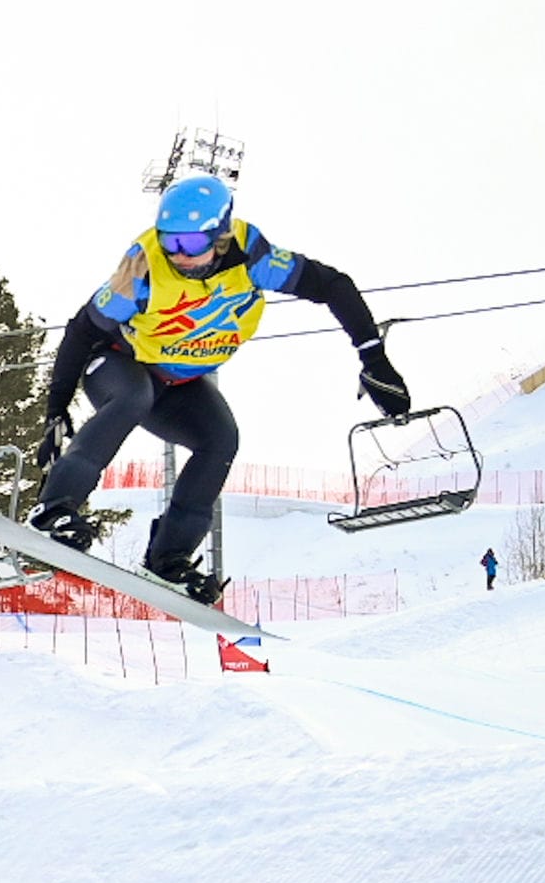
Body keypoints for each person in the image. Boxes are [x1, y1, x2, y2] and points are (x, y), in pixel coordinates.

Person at [30, 173, 410, 604]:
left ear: (221, 235)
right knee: (135, 396)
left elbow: (333, 286)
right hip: (118, 362)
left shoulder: (253, 257)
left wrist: (374, 360)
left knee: (220, 439)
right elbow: (82, 329)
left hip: (177, 382)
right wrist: (56, 410)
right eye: (170, 241)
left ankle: (168, 560)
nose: (179, 255)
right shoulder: (144, 267)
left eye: (191, 243)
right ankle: (54, 508)